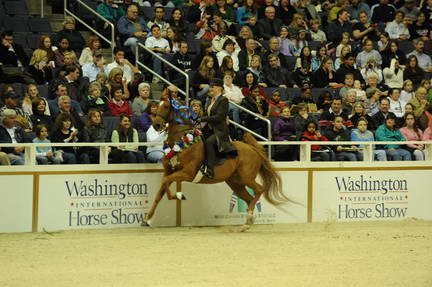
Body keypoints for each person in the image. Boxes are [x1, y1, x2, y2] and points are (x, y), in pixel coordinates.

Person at [200, 78, 237, 178]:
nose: (210, 88)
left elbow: (219, 117)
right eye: (210, 86)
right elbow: (206, 114)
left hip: (219, 131)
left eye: (212, 86)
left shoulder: (223, 100)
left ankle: (210, 169)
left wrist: (203, 118)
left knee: (209, 142)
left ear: (219, 88)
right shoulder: (209, 100)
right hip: (208, 129)